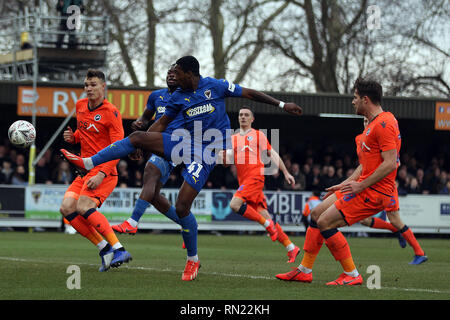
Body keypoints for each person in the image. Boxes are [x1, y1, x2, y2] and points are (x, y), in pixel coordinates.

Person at [60, 55, 303, 281]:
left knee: (182, 206)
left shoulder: (215, 86)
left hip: (207, 152)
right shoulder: (178, 96)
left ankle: (193, 260)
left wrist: (282, 105)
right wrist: (143, 144)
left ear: (190, 73)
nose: (173, 76)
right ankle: (91, 162)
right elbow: (162, 122)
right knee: (136, 137)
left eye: (177, 72)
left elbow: (249, 93)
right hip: (184, 143)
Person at [276, 77, 402, 285]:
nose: (353, 102)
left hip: (373, 191)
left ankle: (352, 274)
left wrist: (360, 184)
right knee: (316, 214)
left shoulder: (385, 124)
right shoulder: (372, 125)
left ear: (366, 100)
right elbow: (365, 165)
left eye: (355, 98)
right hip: (361, 186)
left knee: (325, 221)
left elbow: (390, 163)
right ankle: (304, 270)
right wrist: (346, 183)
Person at [59, 68, 131, 272]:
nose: (88, 89)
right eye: (86, 85)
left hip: (104, 172)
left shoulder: (112, 113)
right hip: (84, 171)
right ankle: (104, 248)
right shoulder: (80, 105)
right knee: (66, 209)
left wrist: (101, 173)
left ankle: (119, 248)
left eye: (93, 85)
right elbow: (86, 132)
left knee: (82, 206)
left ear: (103, 87)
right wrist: (74, 138)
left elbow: (119, 148)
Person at [112, 64, 186, 235]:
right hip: (156, 142)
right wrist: (139, 123)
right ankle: (187, 225)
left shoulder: (188, 97)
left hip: (175, 144)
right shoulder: (156, 96)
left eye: (175, 73)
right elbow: (145, 117)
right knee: (152, 195)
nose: (171, 76)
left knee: (150, 170)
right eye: (169, 73)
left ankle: (132, 222)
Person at [220, 107, 299, 263]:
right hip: (245, 182)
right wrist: (222, 156)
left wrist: (285, 172)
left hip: (255, 177)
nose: (243, 117)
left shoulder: (258, 135)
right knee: (264, 215)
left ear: (252, 119)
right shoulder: (233, 138)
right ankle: (291, 247)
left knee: (235, 205)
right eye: (240, 114)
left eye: (246, 115)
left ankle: (267, 225)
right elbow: (227, 162)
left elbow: (273, 154)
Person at [356, 118, 426, 263]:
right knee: (363, 220)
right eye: (364, 120)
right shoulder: (359, 139)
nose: (366, 121)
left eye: (368, 119)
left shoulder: (382, 134)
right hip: (370, 184)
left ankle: (419, 252)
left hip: (385, 186)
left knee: (394, 218)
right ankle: (396, 230)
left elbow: (394, 161)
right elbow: (364, 165)